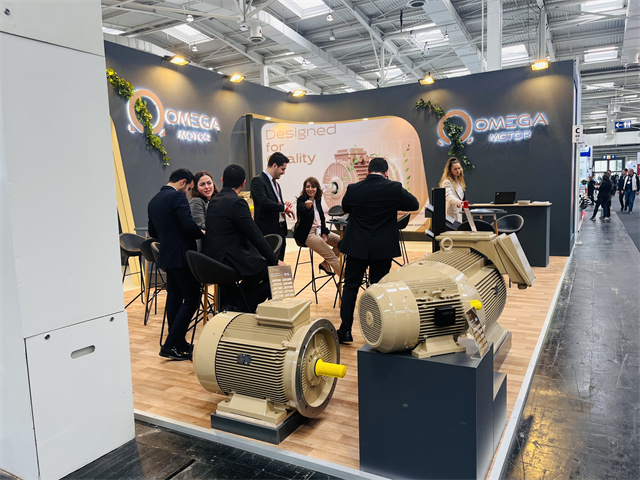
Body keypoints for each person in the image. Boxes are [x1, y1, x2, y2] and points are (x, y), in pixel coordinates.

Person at [337, 157, 419, 344]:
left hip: (357, 247)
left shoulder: (354, 189)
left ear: (367, 171)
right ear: (386, 172)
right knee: (378, 290)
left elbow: (345, 208)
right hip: (382, 248)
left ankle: (345, 331)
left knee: (350, 288)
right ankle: (375, 332)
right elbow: (413, 204)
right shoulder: (394, 188)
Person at [203, 164, 284, 312]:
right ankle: (241, 307)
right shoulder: (237, 202)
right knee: (275, 273)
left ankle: (235, 302)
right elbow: (255, 235)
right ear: (243, 183)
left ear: (222, 180)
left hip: (212, 260)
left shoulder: (214, 201)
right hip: (229, 259)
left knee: (258, 269)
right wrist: (275, 260)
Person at [148, 168, 204, 361]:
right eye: (188, 188)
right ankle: (171, 344)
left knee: (174, 298)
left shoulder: (154, 200)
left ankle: (178, 342)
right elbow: (188, 225)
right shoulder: (177, 197)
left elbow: (153, 232)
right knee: (192, 298)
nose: (187, 192)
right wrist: (201, 233)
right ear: (182, 182)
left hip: (167, 256)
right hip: (182, 256)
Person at [251, 152, 295, 261]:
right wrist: (283, 208)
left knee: (280, 263)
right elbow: (264, 202)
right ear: (274, 165)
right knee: (270, 264)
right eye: (282, 169)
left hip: (280, 229)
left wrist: (284, 205)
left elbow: (275, 204)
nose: (284, 172)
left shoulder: (276, 184)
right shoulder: (258, 181)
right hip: (268, 231)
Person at [293, 177, 341, 275]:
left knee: (342, 243)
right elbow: (303, 214)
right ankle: (347, 277)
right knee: (331, 256)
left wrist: (324, 233)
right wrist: (308, 208)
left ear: (317, 188)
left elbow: (322, 218)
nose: (310, 189)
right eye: (308, 187)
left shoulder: (317, 199)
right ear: (304, 188)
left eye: (313, 187)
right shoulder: (302, 200)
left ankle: (325, 264)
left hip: (319, 230)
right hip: (308, 233)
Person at [439, 157, 466, 222]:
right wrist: (458, 202)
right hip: (451, 214)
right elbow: (448, 196)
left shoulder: (459, 181)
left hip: (458, 214)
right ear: (450, 170)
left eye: (459, 168)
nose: (458, 171)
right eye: (455, 169)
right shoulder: (447, 182)